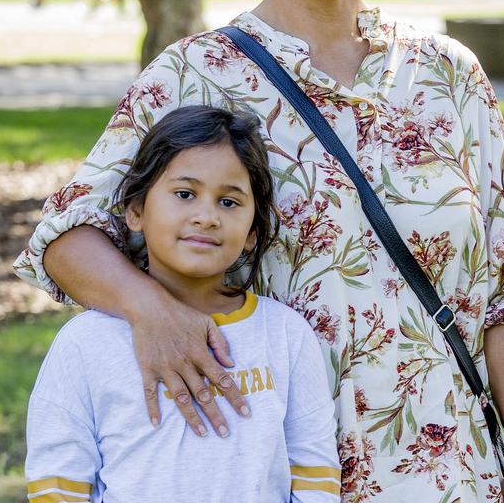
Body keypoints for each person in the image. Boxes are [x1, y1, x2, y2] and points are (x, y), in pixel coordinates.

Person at [15, 0, 504, 503]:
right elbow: (66, 237)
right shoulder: (194, 74)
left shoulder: (451, 77)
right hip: (275, 478)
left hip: (455, 477)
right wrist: (154, 312)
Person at [25, 105, 340, 502]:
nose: (206, 216)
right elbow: (57, 480)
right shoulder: (85, 344)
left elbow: (315, 472)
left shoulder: (284, 334)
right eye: (185, 194)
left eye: (229, 202)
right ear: (136, 211)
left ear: (251, 233)